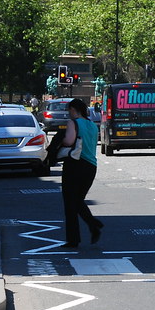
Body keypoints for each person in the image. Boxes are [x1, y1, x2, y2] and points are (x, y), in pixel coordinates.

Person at [59, 97, 102, 248]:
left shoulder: (73, 122)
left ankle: (74, 239)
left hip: (75, 165)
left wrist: (60, 141)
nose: (68, 114)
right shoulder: (92, 125)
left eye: (69, 110)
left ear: (73, 109)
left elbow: (69, 141)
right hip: (91, 167)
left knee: (70, 203)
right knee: (77, 201)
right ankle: (93, 226)